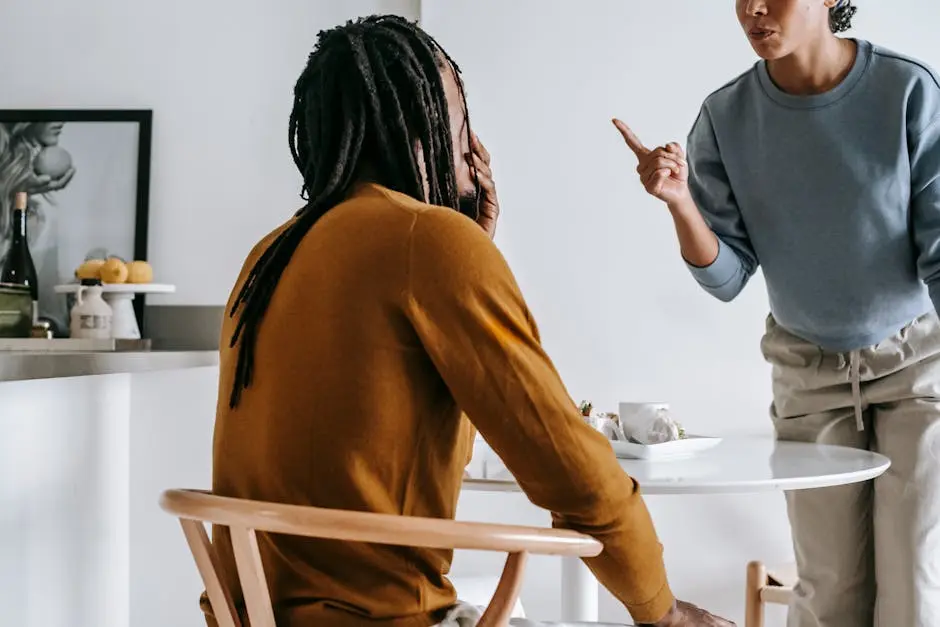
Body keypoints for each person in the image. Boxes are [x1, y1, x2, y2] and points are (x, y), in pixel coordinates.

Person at [211, 14, 732, 627]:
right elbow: (574, 475)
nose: (471, 146)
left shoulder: (269, 255)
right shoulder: (426, 241)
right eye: (458, 119)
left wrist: (471, 246)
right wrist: (665, 610)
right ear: (419, 129)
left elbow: (413, 446)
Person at [615, 1, 940, 626]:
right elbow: (727, 276)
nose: (753, 9)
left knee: (916, 587)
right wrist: (680, 203)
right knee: (829, 592)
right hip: (809, 380)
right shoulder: (726, 116)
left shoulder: (907, 91)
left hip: (917, 373)